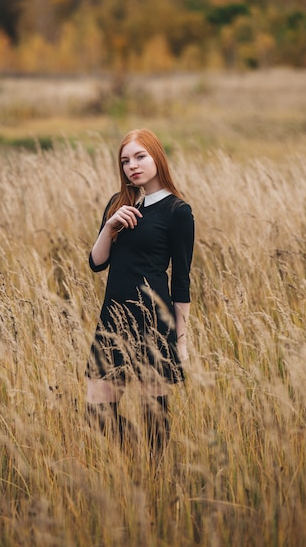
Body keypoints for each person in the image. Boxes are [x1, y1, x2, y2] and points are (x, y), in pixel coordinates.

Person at [85, 129, 195, 457]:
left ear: (157, 158)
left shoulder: (178, 212)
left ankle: (154, 477)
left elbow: (182, 283)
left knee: (154, 415)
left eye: (140, 156)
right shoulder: (118, 204)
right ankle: (133, 460)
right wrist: (109, 226)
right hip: (113, 319)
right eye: (125, 160)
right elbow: (96, 262)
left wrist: (181, 341)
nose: (132, 166)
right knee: (97, 409)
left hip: (153, 322)